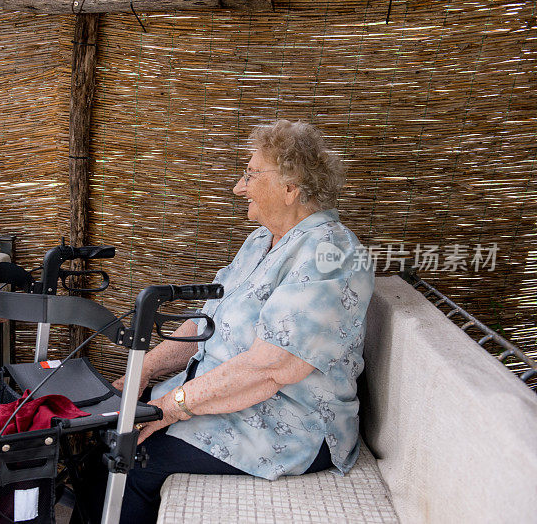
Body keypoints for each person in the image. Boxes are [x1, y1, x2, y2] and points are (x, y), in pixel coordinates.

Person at [104, 120, 375, 524]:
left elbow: (272, 367)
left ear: (290, 187)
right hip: (227, 401)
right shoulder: (261, 241)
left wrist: (171, 406)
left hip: (289, 423)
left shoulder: (331, 256)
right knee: (104, 435)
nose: (238, 187)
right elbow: (205, 322)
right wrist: (147, 369)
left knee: (133, 461)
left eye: (250, 174)